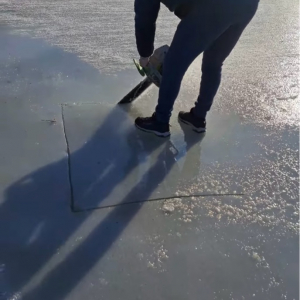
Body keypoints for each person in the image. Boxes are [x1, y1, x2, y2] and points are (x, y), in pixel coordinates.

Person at [134, 0, 259, 137]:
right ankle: (198, 117)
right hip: (247, 6)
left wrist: (145, 54)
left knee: (174, 62)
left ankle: (160, 121)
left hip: (215, 7)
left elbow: (145, 15)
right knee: (213, 63)